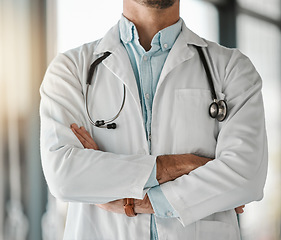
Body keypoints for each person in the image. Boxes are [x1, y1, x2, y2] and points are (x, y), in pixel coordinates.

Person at [39, 0, 268, 239]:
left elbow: (246, 175)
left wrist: (136, 203)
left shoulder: (232, 69)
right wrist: (185, 165)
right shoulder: (71, 70)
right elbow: (65, 175)